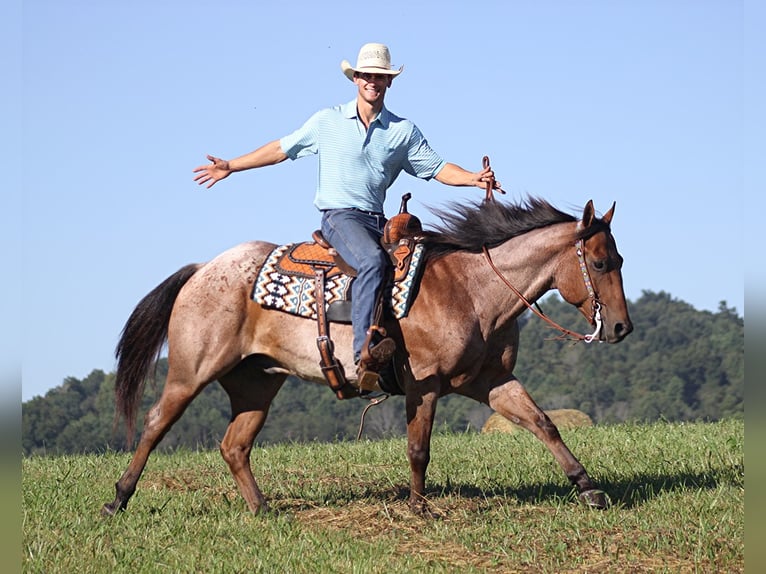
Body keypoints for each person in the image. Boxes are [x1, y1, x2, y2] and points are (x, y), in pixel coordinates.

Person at [193, 42, 500, 386]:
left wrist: (473, 178)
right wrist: (232, 165)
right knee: (372, 262)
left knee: (423, 265)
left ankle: (411, 348)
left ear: (389, 83)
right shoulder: (327, 120)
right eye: (367, 75)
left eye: (380, 76)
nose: (373, 81)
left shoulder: (402, 131)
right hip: (340, 217)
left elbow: (438, 168)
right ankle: (364, 355)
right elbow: (281, 149)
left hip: (378, 220)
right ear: (355, 79)